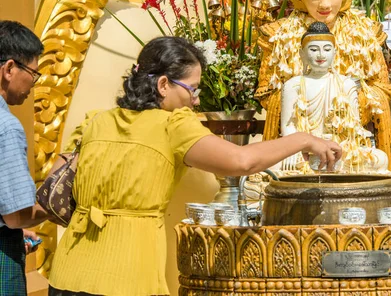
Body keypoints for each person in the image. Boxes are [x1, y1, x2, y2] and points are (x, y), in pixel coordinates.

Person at [47, 36, 341, 296]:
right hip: (126, 276)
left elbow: (51, 185)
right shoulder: (173, 125)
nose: (195, 100)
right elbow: (241, 162)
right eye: (193, 89)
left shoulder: (96, 120)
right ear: (163, 85)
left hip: (67, 272)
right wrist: (303, 139)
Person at [256, 0, 391, 171]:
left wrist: (350, 95)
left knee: (378, 160)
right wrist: (299, 89)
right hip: (299, 146)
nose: (325, 4)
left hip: (349, 140)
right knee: (280, 166)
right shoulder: (279, 35)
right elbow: (267, 93)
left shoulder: (364, 33)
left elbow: (383, 89)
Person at [280, 22, 388, 174]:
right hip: (304, 153)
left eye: (327, 49)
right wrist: (294, 149)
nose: (320, 55)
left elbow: (354, 126)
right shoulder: (293, 85)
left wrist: (349, 144)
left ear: (335, 53)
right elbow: (288, 126)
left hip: (339, 151)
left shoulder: (346, 84)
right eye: (313, 49)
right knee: (273, 164)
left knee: (380, 158)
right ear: (301, 54)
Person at [0, 20, 47, 296]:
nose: (34, 83)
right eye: (33, 72)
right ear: (9, 69)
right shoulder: (6, 126)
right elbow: (16, 216)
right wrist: (56, 207)